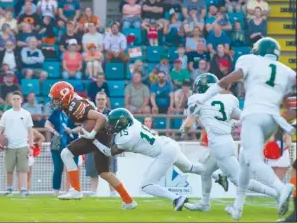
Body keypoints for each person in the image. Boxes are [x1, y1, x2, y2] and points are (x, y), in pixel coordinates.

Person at [195, 38, 296, 220]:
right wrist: (286, 120)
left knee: (254, 160)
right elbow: (290, 105)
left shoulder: (250, 60)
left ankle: (281, 189)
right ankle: (237, 208)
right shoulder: (286, 71)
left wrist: (202, 99)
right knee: (244, 161)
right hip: (272, 118)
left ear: (258, 51)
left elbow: (226, 81)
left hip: (254, 115)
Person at [181, 73, 280, 212]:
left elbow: (188, 123)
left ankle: (276, 194)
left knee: (240, 181)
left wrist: (184, 130)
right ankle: (204, 203)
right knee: (205, 170)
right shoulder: (228, 99)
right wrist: (233, 125)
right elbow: (243, 117)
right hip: (226, 143)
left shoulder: (198, 100)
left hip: (220, 147)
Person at [91, 108, 207, 211]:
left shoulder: (125, 138)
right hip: (169, 143)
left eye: (112, 124)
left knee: (146, 185)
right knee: (190, 168)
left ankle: (177, 198)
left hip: (165, 153)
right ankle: (216, 175)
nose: (110, 127)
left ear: (121, 123)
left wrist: (94, 140)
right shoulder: (133, 122)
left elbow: (109, 152)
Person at [48, 81, 137, 210]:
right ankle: (128, 201)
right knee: (105, 173)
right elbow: (89, 113)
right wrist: (86, 129)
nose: (54, 102)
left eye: (56, 99)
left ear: (65, 98)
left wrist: (92, 133)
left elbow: (102, 117)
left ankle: (76, 190)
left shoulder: (74, 106)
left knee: (66, 153)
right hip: (102, 135)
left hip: (99, 134)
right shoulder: (72, 103)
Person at [0, 91, 34, 197]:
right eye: (14, 99)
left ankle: (24, 189)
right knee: (9, 169)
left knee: (23, 169)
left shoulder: (26, 114)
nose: (16, 100)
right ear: (11, 101)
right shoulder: (6, 114)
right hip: (9, 146)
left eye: (18, 98)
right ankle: (9, 189)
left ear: (21, 100)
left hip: (22, 145)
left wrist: (30, 145)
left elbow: (30, 131)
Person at [85, 91, 118, 196]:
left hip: (108, 145)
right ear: (95, 100)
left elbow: (116, 130)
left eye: (102, 99)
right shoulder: (90, 113)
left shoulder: (112, 114)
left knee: (110, 171)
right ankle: (93, 192)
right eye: (98, 99)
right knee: (92, 170)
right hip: (93, 145)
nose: (100, 102)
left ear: (106, 100)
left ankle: (112, 192)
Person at [45, 107, 79, 195]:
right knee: (58, 168)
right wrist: (54, 131)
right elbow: (47, 124)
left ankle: (74, 189)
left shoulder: (75, 111)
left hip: (73, 143)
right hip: (57, 143)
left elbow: (81, 127)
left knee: (73, 167)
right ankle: (55, 191)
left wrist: (71, 130)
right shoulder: (56, 112)